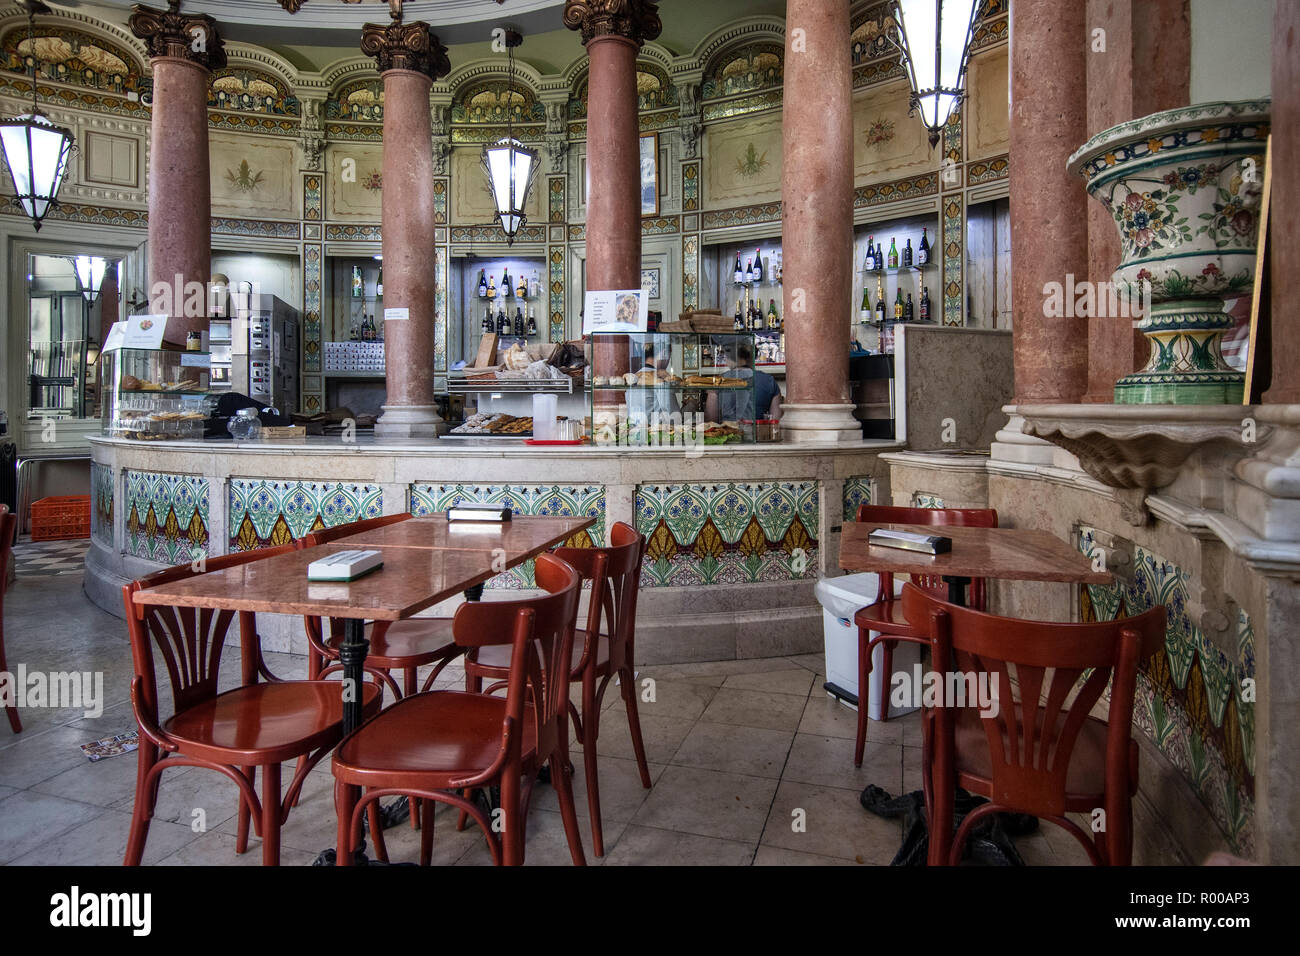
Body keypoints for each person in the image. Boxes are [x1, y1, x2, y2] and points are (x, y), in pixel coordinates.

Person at [705, 341, 782, 423]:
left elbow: (711, 420)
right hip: (758, 433)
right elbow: (776, 421)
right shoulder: (769, 381)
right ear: (753, 357)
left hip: (728, 433)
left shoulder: (717, 381)